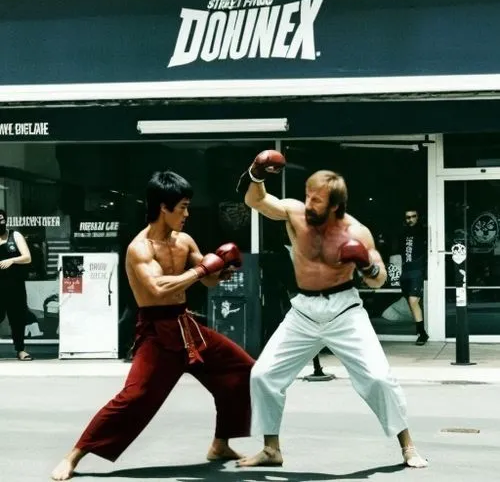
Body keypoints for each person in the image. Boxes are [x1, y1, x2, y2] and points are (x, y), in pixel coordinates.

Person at [51, 170, 255, 480]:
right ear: (163, 206)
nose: (187, 214)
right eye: (182, 206)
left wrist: (221, 269)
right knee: (135, 396)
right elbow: (159, 288)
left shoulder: (184, 240)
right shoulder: (140, 248)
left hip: (186, 325)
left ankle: (220, 443)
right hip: (156, 331)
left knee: (240, 370)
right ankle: (75, 455)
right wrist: (202, 270)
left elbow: (209, 279)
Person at [235, 150, 427, 469]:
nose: (308, 204)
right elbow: (257, 202)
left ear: (335, 205)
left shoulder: (356, 232)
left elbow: (379, 280)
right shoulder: (296, 214)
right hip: (303, 311)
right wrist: (256, 174)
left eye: (317, 200)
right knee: (263, 375)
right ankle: (271, 449)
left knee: (379, 379)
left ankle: (407, 445)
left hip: (344, 310)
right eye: (308, 196)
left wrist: (365, 265)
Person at [0, 209, 33, 361]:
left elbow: (27, 257)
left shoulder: (15, 235)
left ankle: (20, 349)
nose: (0, 222)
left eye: (2, 219)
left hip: (14, 285)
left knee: (17, 319)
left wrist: (12, 260)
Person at [399, 209, 429, 345]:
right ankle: (420, 330)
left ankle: (422, 333)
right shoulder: (403, 233)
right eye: (407, 217)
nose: (410, 219)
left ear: (418, 217)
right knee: (412, 303)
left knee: (413, 301)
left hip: (417, 270)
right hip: (405, 271)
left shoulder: (423, 231)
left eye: (413, 216)